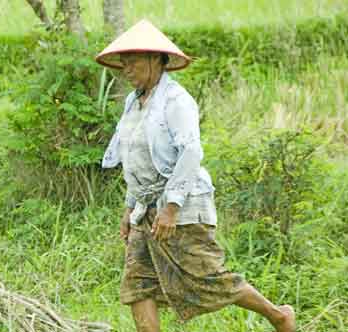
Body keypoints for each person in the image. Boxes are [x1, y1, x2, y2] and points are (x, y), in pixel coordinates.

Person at [95, 19, 296, 332]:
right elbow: (135, 159)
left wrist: (171, 208)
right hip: (144, 208)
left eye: (132, 62)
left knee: (208, 276)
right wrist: (128, 209)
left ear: (154, 60)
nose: (126, 69)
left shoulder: (176, 102)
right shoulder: (133, 104)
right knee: (138, 281)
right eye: (123, 63)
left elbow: (191, 153)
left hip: (184, 204)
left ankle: (279, 315)